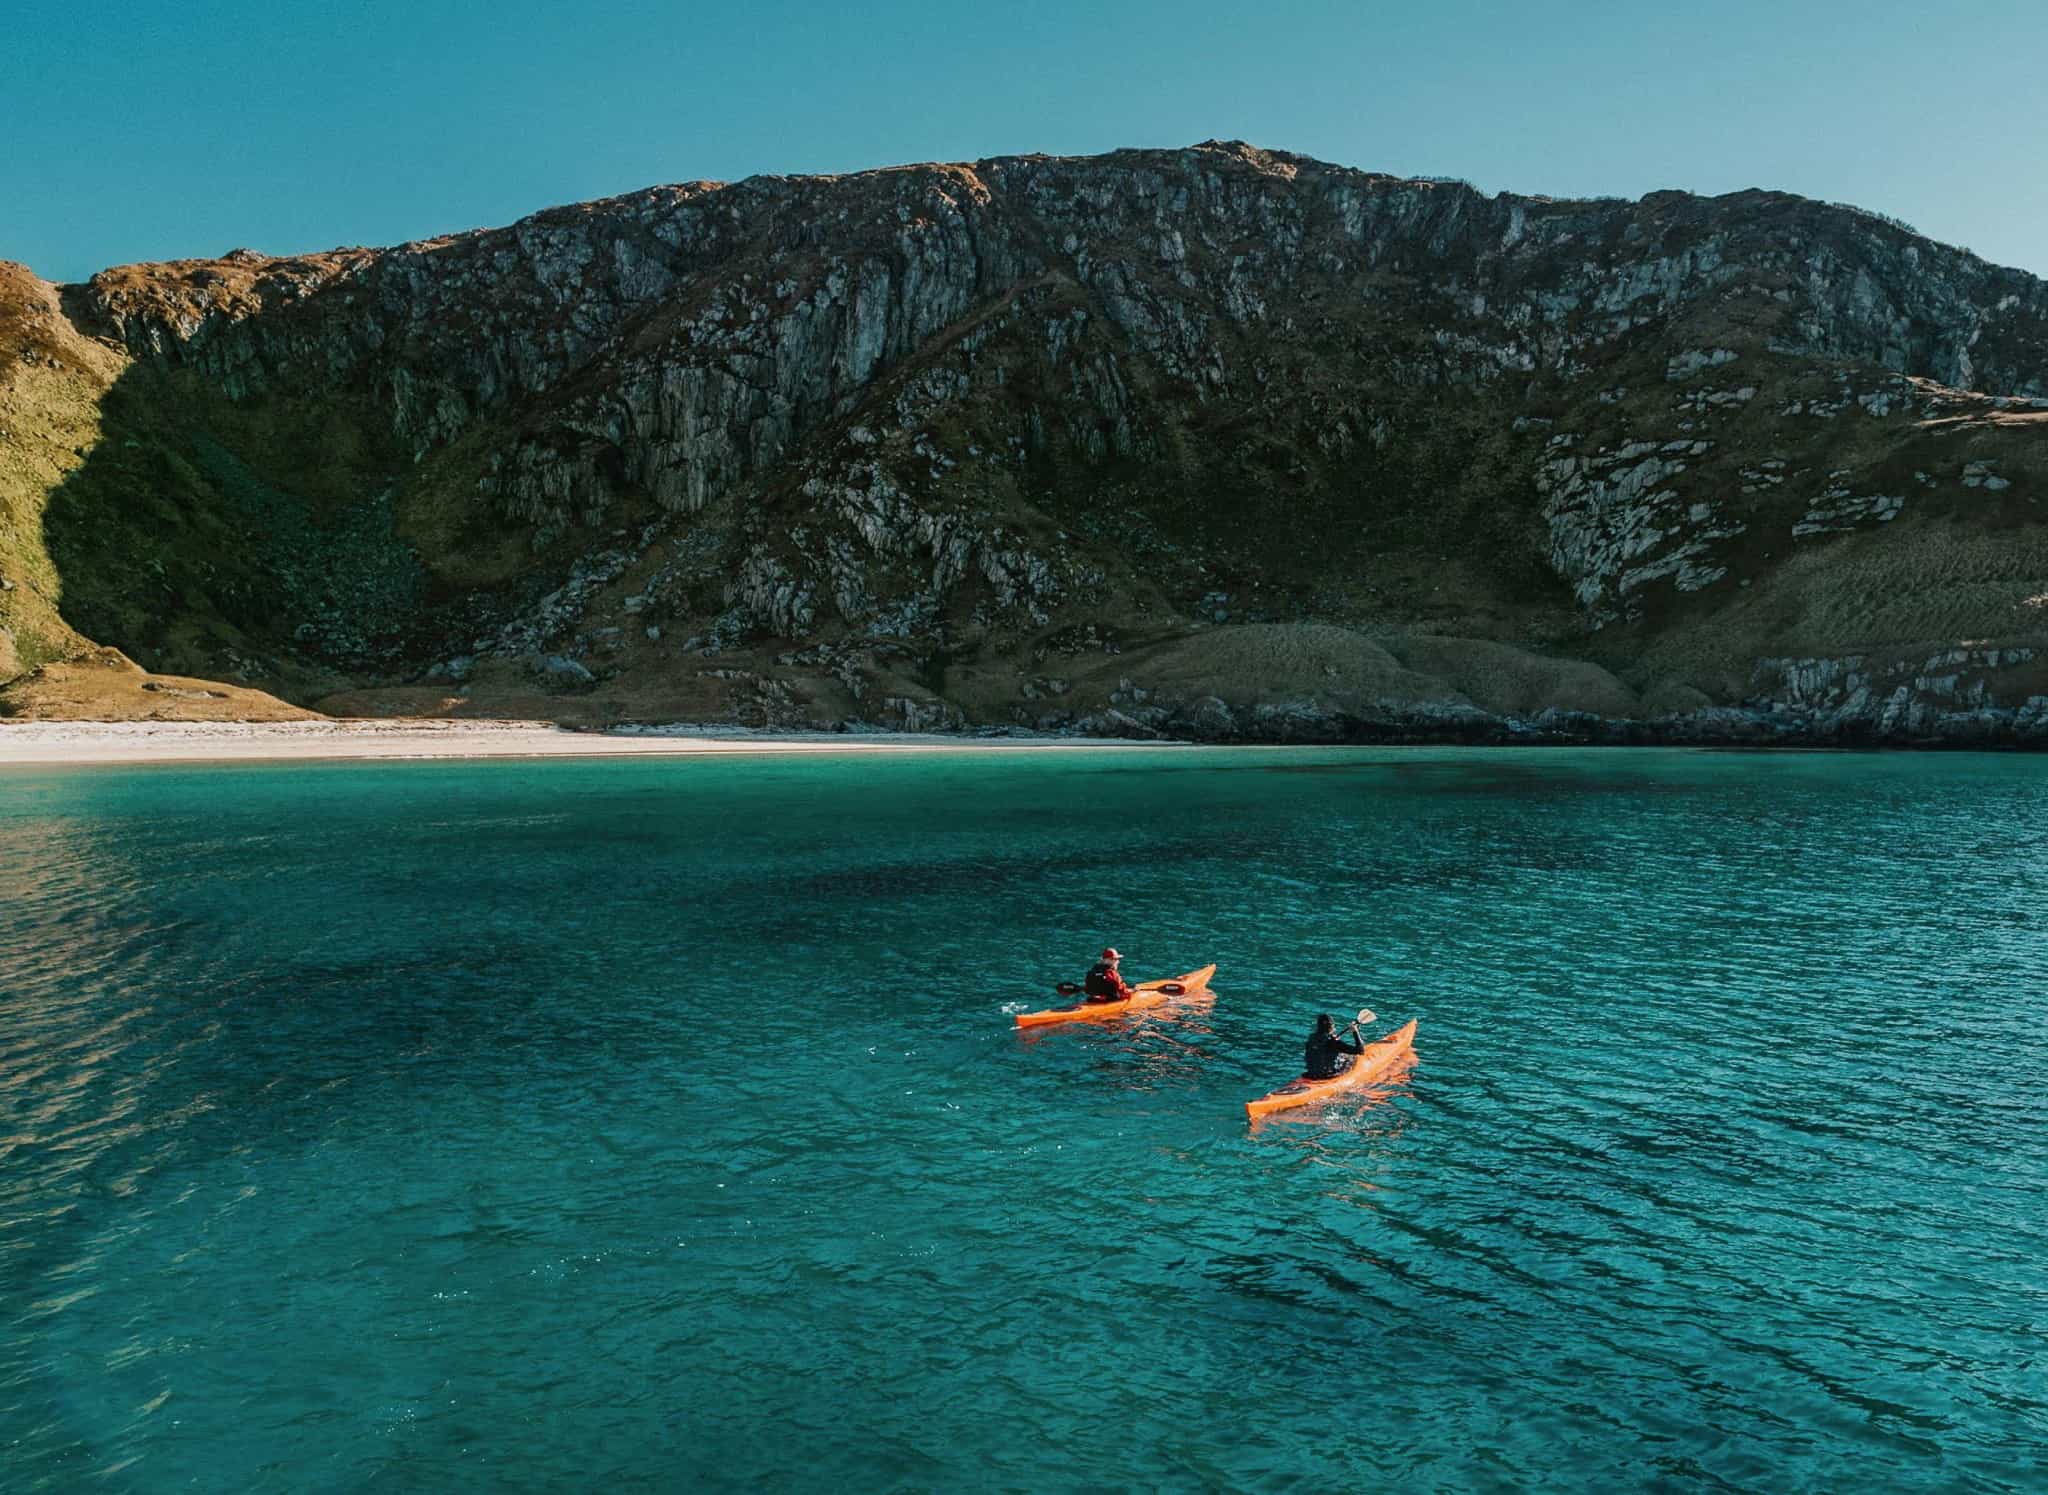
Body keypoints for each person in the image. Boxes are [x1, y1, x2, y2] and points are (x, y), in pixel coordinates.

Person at [1304, 1013, 1363, 1079]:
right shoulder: (1333, 1043)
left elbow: (1322, 1047)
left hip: (1311, 1074)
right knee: (1352, 1058)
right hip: (1326, 1076)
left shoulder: (1311, 1038)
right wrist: (1355, 1031)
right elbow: (1360, 1050)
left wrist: (1333, 1040)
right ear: (1331, 1027)